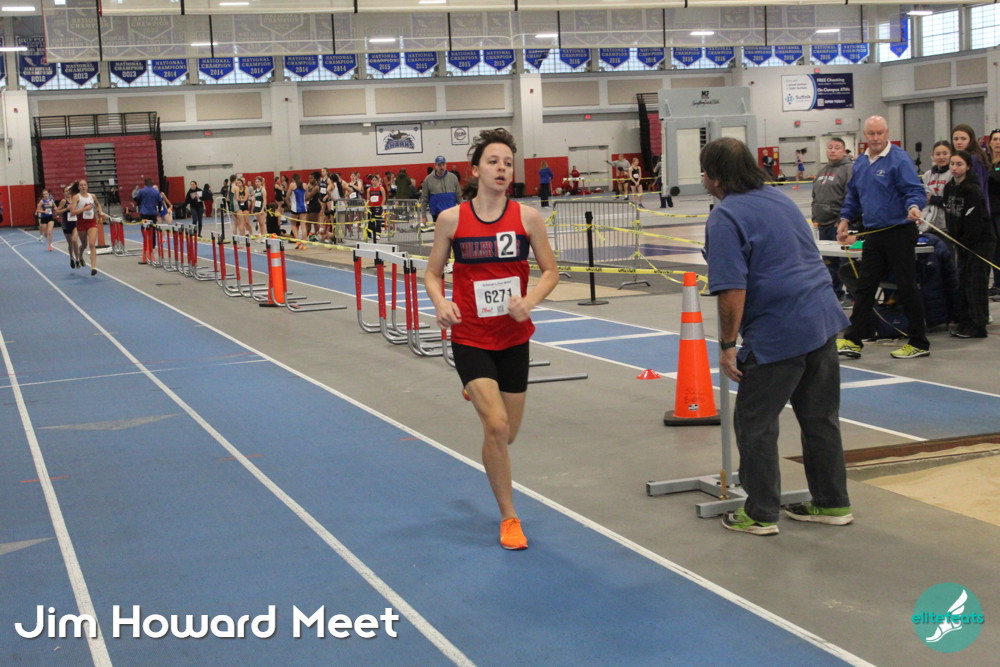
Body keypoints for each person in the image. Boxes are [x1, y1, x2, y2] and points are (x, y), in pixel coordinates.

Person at [700, 137, 852, 536]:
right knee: (820, 418)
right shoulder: (780, 200)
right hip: (821, 319)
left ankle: (762, 512)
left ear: (715, 177)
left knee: (755, 422)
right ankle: (832, 502)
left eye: (704, 172)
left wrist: (727, 346)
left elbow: (732, 289)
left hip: (779, 330)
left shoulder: (725, 217)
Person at [424, 128, 559, 550]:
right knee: (496, 426)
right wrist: (440, 303)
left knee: (507, 433)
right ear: (475, 170)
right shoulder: (452, 220)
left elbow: (551, 271)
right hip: (470, 336)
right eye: (493, 161)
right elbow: (432, 273)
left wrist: (530, 300)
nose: (502, 168)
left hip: (514, 337)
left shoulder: (527, 218)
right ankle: (509, 517)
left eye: (508, 163)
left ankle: (479, 392)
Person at [836, 116, 930, 360]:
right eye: (871, 133)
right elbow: (853, 196)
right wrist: (844, 219)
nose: (876, 138)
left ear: (887, 133)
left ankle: (919, 342)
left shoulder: (899, 159)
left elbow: (914, 190)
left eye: (879, 133)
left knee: (906, 286)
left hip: (900, 232)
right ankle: (853, 340)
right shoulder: (860, 163)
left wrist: (913, 206)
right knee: (865, 287)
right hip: (874, 234)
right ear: (864, 135)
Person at [943, 150, 996, 338]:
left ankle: (978, 325)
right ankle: (964, 322)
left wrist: (965, 242)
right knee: (963, 282)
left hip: (980, 242)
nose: (954, 168)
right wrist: (955, 239)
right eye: (952, 164)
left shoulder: (972, 190)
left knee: (976, 284)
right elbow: (950, 216)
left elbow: (974, 222)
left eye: (959, 164)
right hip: (962, 242)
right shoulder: (949, 188)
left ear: (968, 167)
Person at [812, 138, 854, 306]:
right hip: (823, 224)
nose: (833, 150)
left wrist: (843, 219)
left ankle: (852, 296)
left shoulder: (848, 169)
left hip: (839, 225)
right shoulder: (822, 171)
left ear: (844, 151)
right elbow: (815, 196)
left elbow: (851, 196)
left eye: (837, 147)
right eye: (830, 147)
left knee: (845, 263)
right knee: (829, 264)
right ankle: (835, 294)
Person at [921, 141, 955, 259]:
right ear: (932, 156)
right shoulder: (927, 175)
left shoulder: (952, 174)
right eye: (938, 154)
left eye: (945, 153)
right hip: (928, 225)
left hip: (946, 226)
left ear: (951, 155)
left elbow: (953, 201)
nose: (941, 157)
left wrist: (933, 199)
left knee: (947, 258)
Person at [950, 124, 990, 215]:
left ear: (970, 140)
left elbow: (978, 188)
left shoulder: (974, 159)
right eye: (955, 139)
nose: (959, 142)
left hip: (975, 209)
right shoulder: (956, 157)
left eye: (963, 139)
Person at [70, 179, 107, 276]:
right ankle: (80, 255)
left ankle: (93, 267)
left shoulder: (92, 196)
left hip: (91, 222)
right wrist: (84, 209)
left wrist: (100, 212)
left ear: (87, 186)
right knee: (84, 244)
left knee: (92, 244)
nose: (83, 186)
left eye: (84, 185)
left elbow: (98, 205)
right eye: (81, 185)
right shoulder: (76, 197)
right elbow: (72, 212)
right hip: (81, 223)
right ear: (78, 187)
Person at [420, 155, 462, 224]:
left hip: (452, 213)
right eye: (439, 165)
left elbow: (459, 196)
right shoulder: (428, 179)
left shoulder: (453, 177)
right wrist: (423, 216)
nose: (441, 167)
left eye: (443, 165)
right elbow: (424, 199)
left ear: (446, 165)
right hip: (436, 215)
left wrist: (464, 211)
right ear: (435, 166)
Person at [987, 129, 1000, 300]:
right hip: (989, 210)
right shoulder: (987, 161)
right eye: (995, 139)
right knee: (995, 249)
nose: (998, 142)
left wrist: (988, 174)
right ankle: (997, 283)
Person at [57, 185, 81, 269]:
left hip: (75, 223)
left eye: (68, 191)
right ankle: (71, 257)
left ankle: (77, 259)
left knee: (75, 240)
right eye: (66, 191)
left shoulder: (75, 200)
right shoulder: (63, 201)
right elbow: (57, 212)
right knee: (70, 244)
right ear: (63, 193)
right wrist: (66, 209)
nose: (67, 192)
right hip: (66, 224)